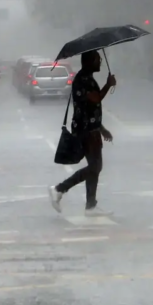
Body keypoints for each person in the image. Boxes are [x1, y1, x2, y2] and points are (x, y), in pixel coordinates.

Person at [48, 50, 117, 217]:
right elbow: (95, 99)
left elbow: (90, 109)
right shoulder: (82, 80)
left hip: (91, 129)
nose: (100, 62)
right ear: (88, 62)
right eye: (97, 60)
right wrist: (108, 84)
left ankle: (90, 206)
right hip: (85, 131)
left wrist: (101, 128)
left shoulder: (87, 78)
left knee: (96, 166)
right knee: (95, 166)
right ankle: (59, 189)